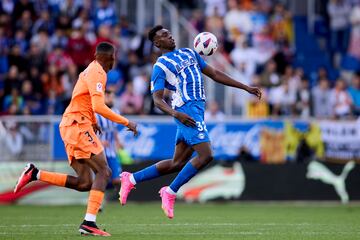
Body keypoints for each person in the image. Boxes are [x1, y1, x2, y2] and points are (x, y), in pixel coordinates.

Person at [119, 25, 261, 219]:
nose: (170, 36)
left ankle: (131, 178)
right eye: (165, 36)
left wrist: (245, 87)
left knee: (177, 163)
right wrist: (176, 114)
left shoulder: (189, 53)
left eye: (170, 33)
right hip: (186, 110)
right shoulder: (160, 65)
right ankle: (170, 192)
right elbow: (157, 100)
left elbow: (215, 74)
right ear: (157, 43)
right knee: (206, 155)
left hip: (195, 111)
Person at [13, 42, 138, 236]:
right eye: (115, 56)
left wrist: (93, 120)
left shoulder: (89, 70)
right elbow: (99, 105)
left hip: (73, 124)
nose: (116, 59)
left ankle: (35, 174)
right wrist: (126, 122)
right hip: (77, 125)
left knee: (84, 183)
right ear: (109, 57)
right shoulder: (98, 73)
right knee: (104, 171)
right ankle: (89, 222)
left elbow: (81, 99)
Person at [96, 90, 122, 186]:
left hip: (111, 150)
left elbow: (114, 129)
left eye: (112, 97)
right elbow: (89, 132)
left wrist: (118, 141)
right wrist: (99, 142)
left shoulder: (116, 112)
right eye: (109, 97)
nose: (111, 100)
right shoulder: (96, 114)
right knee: (101, 177)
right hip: (99, 151)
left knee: (116, 179)